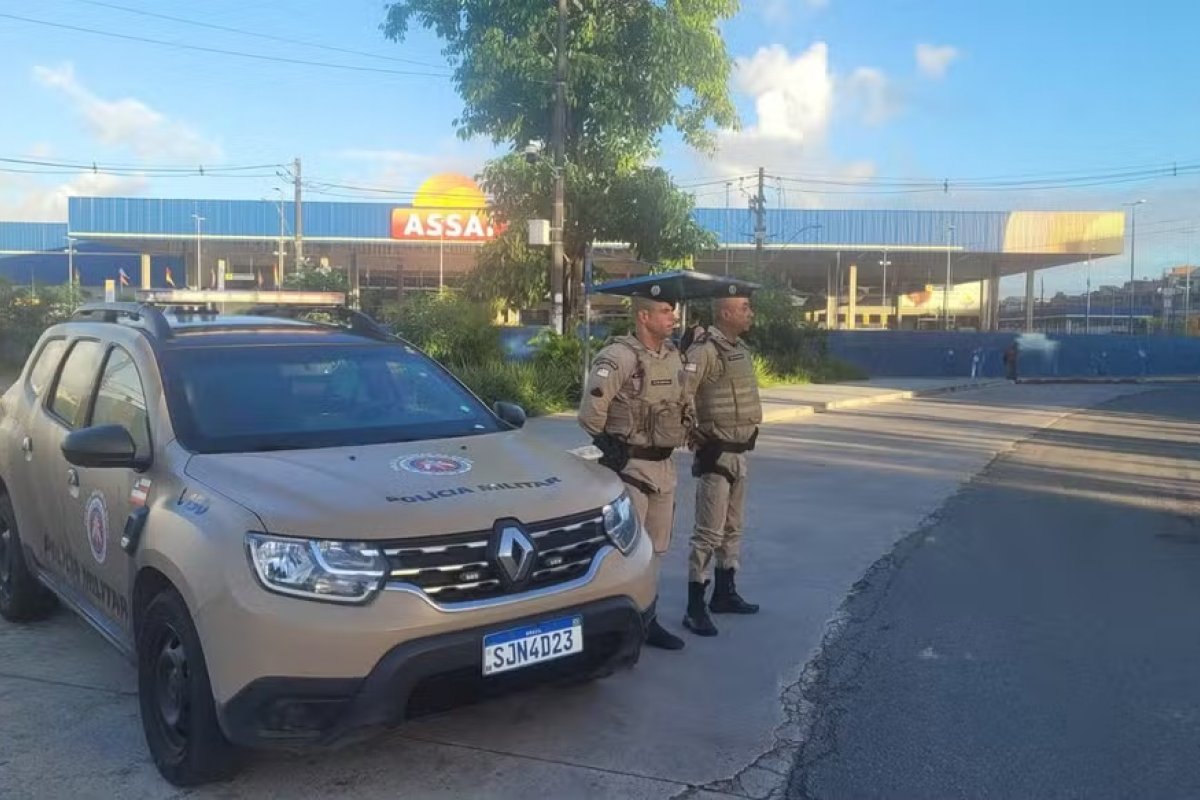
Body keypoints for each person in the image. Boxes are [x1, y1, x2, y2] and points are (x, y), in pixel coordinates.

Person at [578, 286, 693, 651]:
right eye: (663, 311)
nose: (671, 317)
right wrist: (612, 449)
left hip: (663, 467)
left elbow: (682, 400)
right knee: (625, 550)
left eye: (671, 311)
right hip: (631, 468)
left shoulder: (673, 356)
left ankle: (649, 619)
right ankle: (615, 626)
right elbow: (590, 412)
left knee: (656, 549)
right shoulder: (618, 357)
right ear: (643, 316)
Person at [681, 289, 762, 637]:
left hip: (739, 452)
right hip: (716, 454)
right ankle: (694, 606)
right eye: (744, 308)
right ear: (726, 314)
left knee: (733, 528)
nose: (750, 313)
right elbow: (681, 395)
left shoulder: (740, 351)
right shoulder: (705, 351)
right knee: (707, 533)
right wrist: (695, 436)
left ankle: (724, 593)